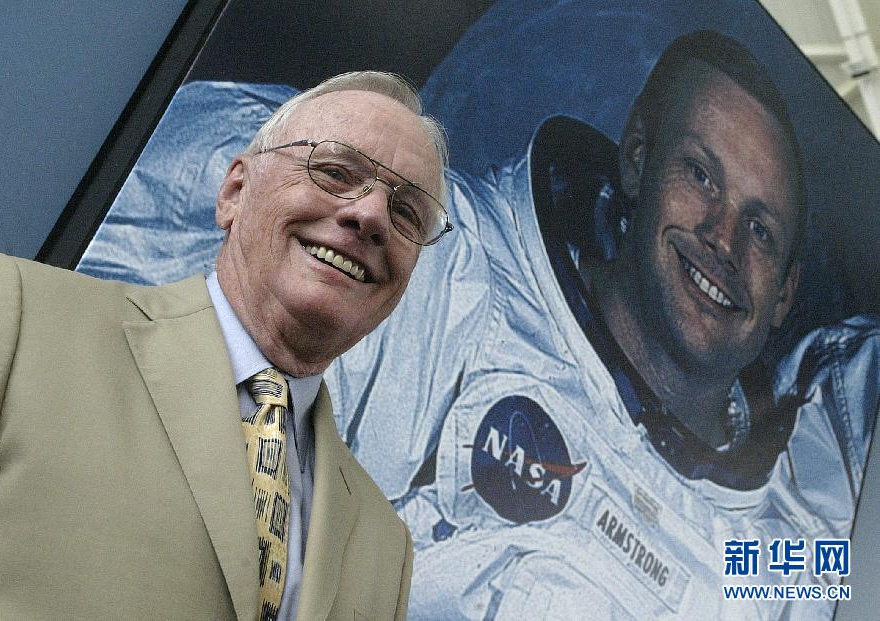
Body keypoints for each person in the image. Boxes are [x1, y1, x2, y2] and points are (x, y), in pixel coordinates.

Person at [323, 32, 879, 619]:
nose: (723, 239)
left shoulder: (775, 553)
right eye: (701, 176)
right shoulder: (447, 286)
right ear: (638, 160)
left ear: (786, 294)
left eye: (761, 230)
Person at [0, 71, 451, 620]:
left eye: (407, 214)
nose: (370, 215)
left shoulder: (384, 546)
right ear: (234, 192)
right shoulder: (21, 320)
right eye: (334, 171)